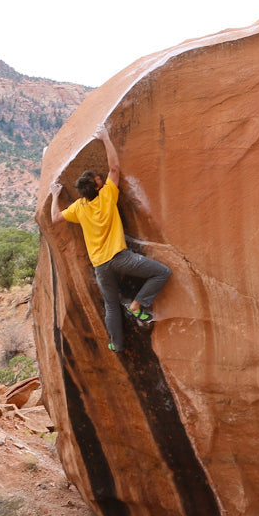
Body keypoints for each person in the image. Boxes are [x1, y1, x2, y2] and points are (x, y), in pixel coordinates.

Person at [50, 125, 171, 352]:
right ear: (97, 188)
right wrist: (105, 137)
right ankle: (137, 304)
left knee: (111, 306)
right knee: (162, 272)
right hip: (120, 257)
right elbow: (114, 167)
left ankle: (116, 344)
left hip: (100, 265)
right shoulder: (107, 195)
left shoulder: (79, 207)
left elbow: (55, 217)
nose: (102, 179)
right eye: (99, 179)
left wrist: (56, 195)